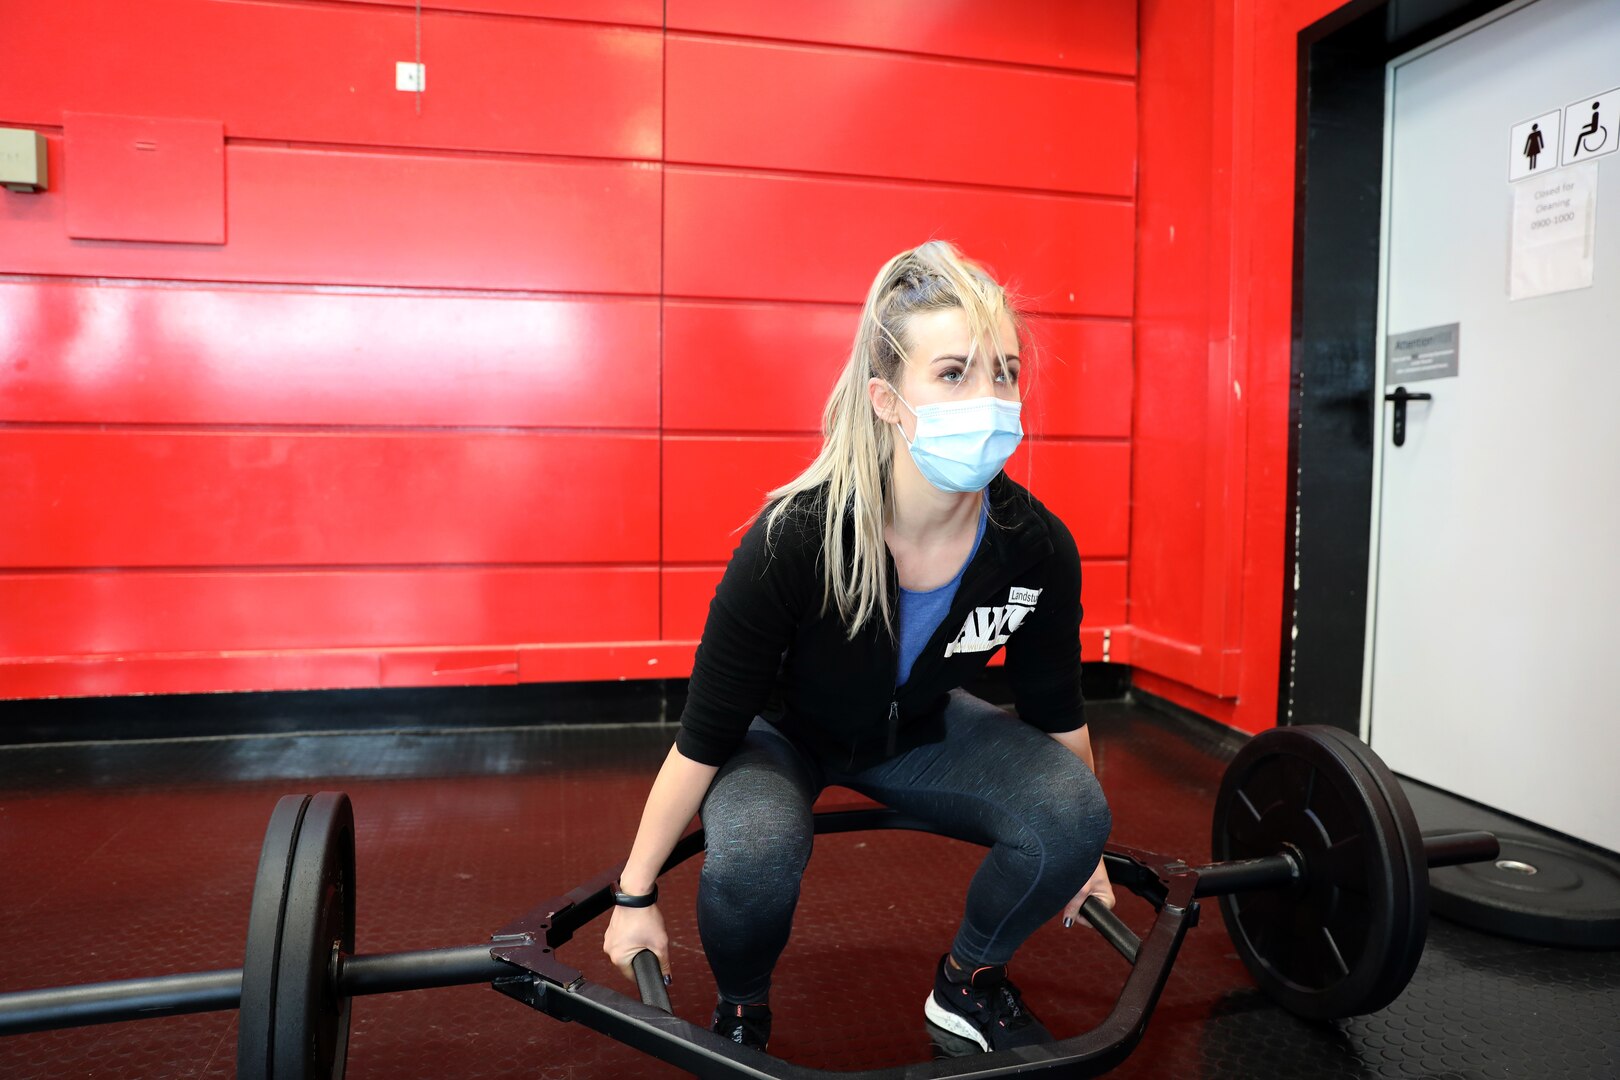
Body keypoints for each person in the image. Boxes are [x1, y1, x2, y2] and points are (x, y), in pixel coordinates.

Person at [602, 240, 1114, 1056]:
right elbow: (703, 736)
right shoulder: (794, 539)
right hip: (784, 736)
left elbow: (1057, 710)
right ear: (886, 399)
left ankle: (969, 985)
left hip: (918, 730)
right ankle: (743, 1008)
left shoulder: (1035, 547)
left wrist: (1084, 852)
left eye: (1005, 372)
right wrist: (633, 895)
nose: (990, 398)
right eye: (953, 374)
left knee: (1074, 814)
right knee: (755, 851)